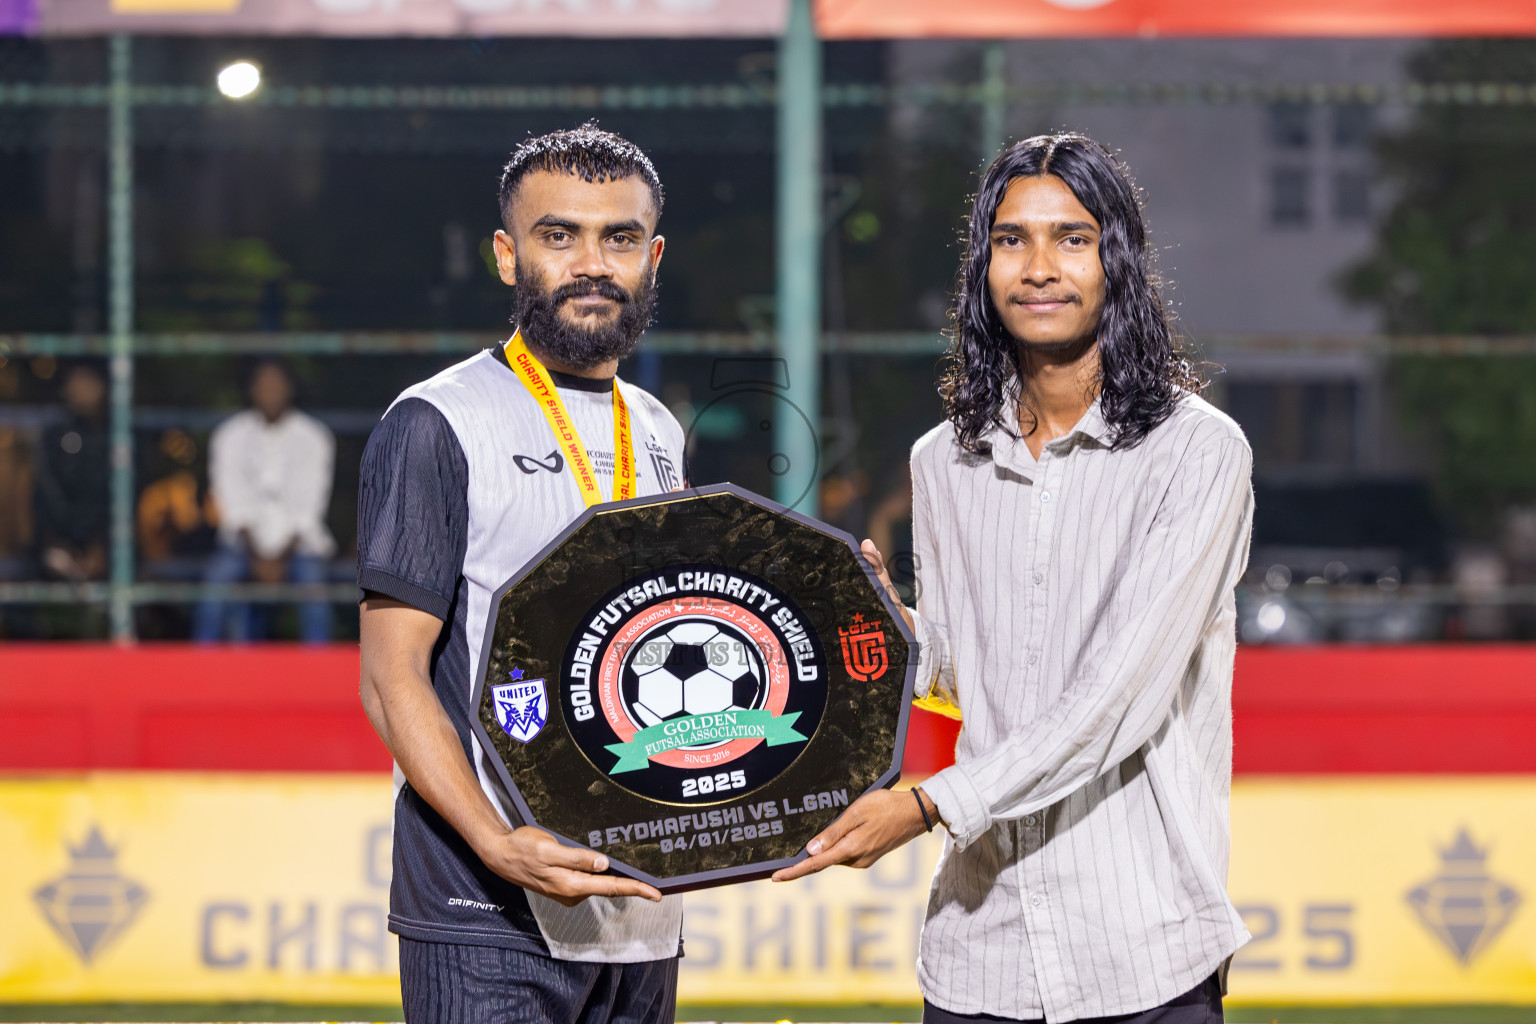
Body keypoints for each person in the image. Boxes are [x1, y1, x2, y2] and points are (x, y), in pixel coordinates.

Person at [774, 133, 1255, 1024]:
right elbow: (957, 677)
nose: (1039, 267)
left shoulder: (1197, 452)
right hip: (978, 952)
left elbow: (1117, 701)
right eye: (1010, 240)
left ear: (1117, 262)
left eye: (1071, 239)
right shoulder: (943, 463)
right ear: (983, 266)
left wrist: (925, 807)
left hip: (1140, 950)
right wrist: (874, 624)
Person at [356, 124, 687, 1024]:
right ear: (508, 255)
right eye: (559, 235)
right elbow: (391, 681)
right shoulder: (436, 421)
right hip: (484, 906)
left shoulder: (657, 430)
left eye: (618, 238)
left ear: (651, 257)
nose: (592, 262)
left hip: (639, 902)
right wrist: (498, 844)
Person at [193, 359, 335, 643]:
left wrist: (278, 557)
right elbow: (229, 498)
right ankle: (201, 674)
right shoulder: (229, 435)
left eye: (276, 385)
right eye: (263, 385)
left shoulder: (314, 436)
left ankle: (322, 677)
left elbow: (311, 503)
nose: (270, 392)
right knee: (214, 592)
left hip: (299, 547)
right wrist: (256, 555)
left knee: (315, 595)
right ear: (252, 390)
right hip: (243, 546)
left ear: (289, 389)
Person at [33, 363, 110, 582]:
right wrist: (58, 543)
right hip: (59, 542)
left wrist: (102, 543)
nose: (79, 389)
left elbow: (125, 496)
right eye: (74, 381)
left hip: (111, 543)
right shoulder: (54, 436)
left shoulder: (121, 435)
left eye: (87, 380)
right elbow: (47, 495)